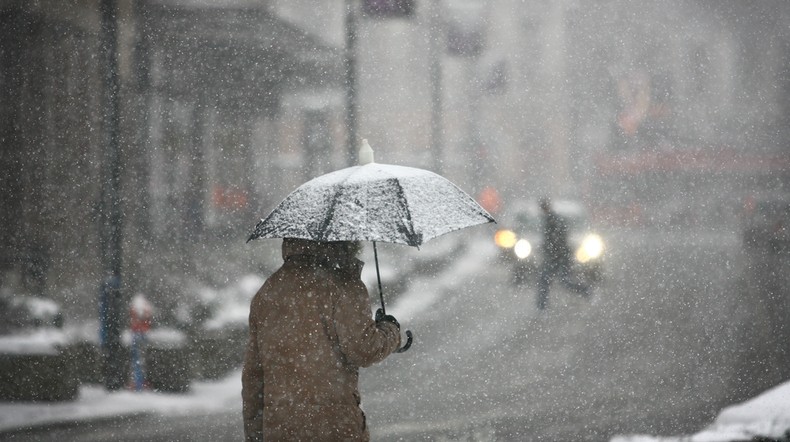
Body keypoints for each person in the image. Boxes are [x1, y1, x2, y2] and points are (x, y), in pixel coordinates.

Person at [242, 238, 401, 441]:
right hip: (334, 427)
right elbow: (364, 349)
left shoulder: (268, 291)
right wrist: (390, 330)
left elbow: (253, 378)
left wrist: (255, 434)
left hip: (280, 428)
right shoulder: (344, 285)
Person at [536, 197, 590, 310]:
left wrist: (554, 252)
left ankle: (586, 291)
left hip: (559, 257)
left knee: (561, 281)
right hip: (556, 257)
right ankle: (541, 306)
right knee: (548, 281)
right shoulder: (550, 220)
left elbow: (558, 240)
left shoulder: (553, 220)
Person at [129, 293, 153, 391]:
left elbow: (134, 318)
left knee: (137, 360)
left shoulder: (136, 306)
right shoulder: (146, 306)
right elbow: (147, 317)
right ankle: (140, 382)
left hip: (137, 334)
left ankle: (138, 383)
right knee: (141, 360)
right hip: (143, 334)